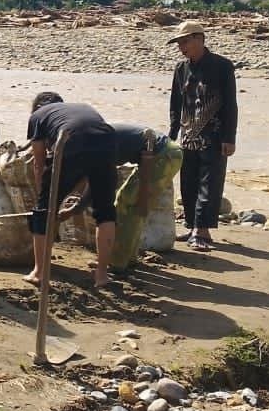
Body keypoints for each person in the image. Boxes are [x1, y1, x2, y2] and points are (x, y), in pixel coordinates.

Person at [24, 92, 117, 288]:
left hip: (71, 142)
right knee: (105, 211)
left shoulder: (37, 117)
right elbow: (87, 164)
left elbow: (38, 163)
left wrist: (44, 199)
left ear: (36, 108)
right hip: (107, 142)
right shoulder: (81, 107)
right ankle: (102, 275)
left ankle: (39, 273)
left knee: (42, 213)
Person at [167, 21, 238, 252]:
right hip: (188, 134)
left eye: (185, 42)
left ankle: (203, 229)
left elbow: (230, 104)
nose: (181, 47)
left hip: (214, 136)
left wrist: (229, 137)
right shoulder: (181, 68)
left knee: (210, 182)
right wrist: (172, 134)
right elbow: (176, 104)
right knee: (188, 181)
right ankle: (192, 226)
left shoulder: (222, 66)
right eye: (179, 43)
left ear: (200, 39)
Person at [106, 123, 183, 273]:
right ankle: (129, 258)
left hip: (163, 156)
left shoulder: (97, 145)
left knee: (130, 205)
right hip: (164, 153)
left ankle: (118, 262)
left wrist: (143, 197)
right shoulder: (96, 137)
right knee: (126, 202)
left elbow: (106, 178)